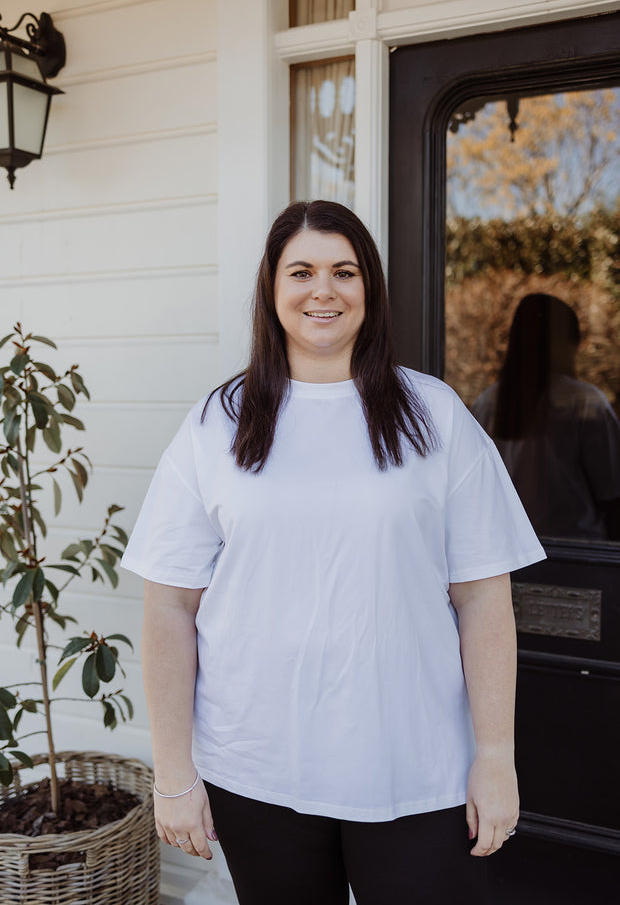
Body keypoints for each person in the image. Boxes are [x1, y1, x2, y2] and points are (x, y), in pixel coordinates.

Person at [121, 201, 545, 905]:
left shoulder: (434, 415)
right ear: (272, 289)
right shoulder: (215, 425)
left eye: (344, 271)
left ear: (369, 290)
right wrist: (175, 775)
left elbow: (483, 599)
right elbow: (168, 604)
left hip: (417, 771)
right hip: (257, 772)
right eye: (303, 271)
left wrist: (495, 759)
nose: (324, 290)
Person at [471, 293, 620, 540]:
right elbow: (613, 492)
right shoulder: (585, 403)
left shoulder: (486, 403)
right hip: (578, 556)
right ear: (564, 343)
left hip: (508, 550)